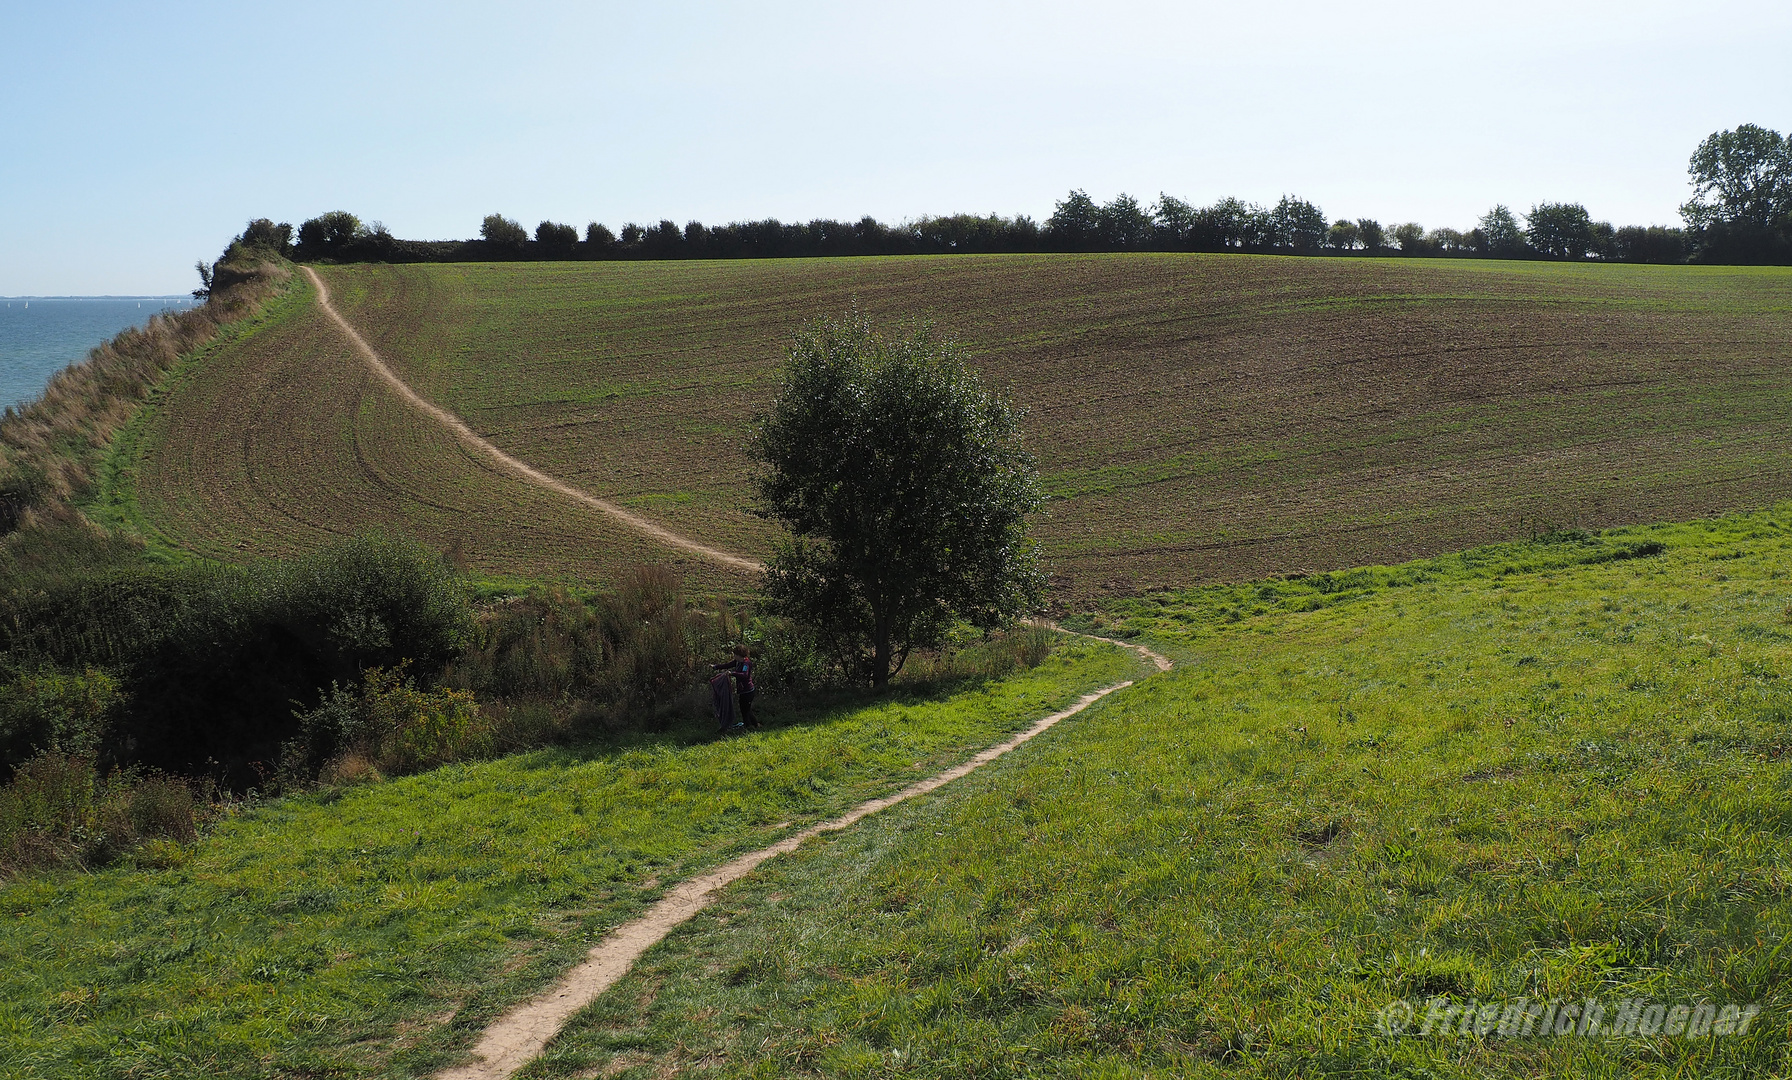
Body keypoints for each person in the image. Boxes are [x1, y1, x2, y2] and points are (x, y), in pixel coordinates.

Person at [712, 644, 758, 729]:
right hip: (743, 691)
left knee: (745, 710)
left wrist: (732, 673)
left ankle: (748, 726)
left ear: (739, 655)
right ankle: (754, 725)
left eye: (735, 654)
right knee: (746, 709)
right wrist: (716, 667)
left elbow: (745, 675)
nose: (734, 656)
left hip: (748, 691)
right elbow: (727, 665)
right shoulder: (737, 662)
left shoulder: (746, 663)